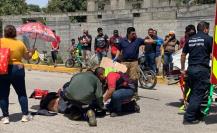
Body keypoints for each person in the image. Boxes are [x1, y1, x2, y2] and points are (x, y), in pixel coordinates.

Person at [39, 69, 104, 126]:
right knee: (92, 101)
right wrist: (101, 106)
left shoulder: (76, 75)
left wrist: (62, 93)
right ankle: (89, 110)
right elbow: (99, 96)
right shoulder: (95, 79)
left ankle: (76, 112)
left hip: (70, 98)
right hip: (85, 101)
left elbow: (67, 86)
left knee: (74, 102)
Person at [0, 25, 35, 124]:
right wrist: (32, 52)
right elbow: (27, 57)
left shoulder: (1, 41)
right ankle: (25, 115)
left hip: (3, 69)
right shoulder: (20, 43)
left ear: (5, 32)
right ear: (15, 33)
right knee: (21, 93)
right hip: (18, 69)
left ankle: (6, 117)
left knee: (3, 95)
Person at [181, 21, 213, 124]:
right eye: (208, 29)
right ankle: (189, 117)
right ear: (205, 29)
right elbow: (213, 55)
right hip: (202, 70)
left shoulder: (190, 39)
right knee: (198, 94)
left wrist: (182, 69)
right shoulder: (208, 39)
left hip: (191, 70)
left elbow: (183, 55)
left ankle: (197, 114)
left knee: (195, 92)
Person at [114, 27, 145, 98]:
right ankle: (123, 92)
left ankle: (135, 93)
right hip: (124, 62)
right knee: (122, 78)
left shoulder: (138, 40)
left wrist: (156, 41)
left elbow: (146, 41)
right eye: (132, 33)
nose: (134, 34)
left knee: (134, 79)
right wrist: (116, 57)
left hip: (134, 62)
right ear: (128, 34)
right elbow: (119, 49)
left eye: (135, 33)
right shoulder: (122, 41)